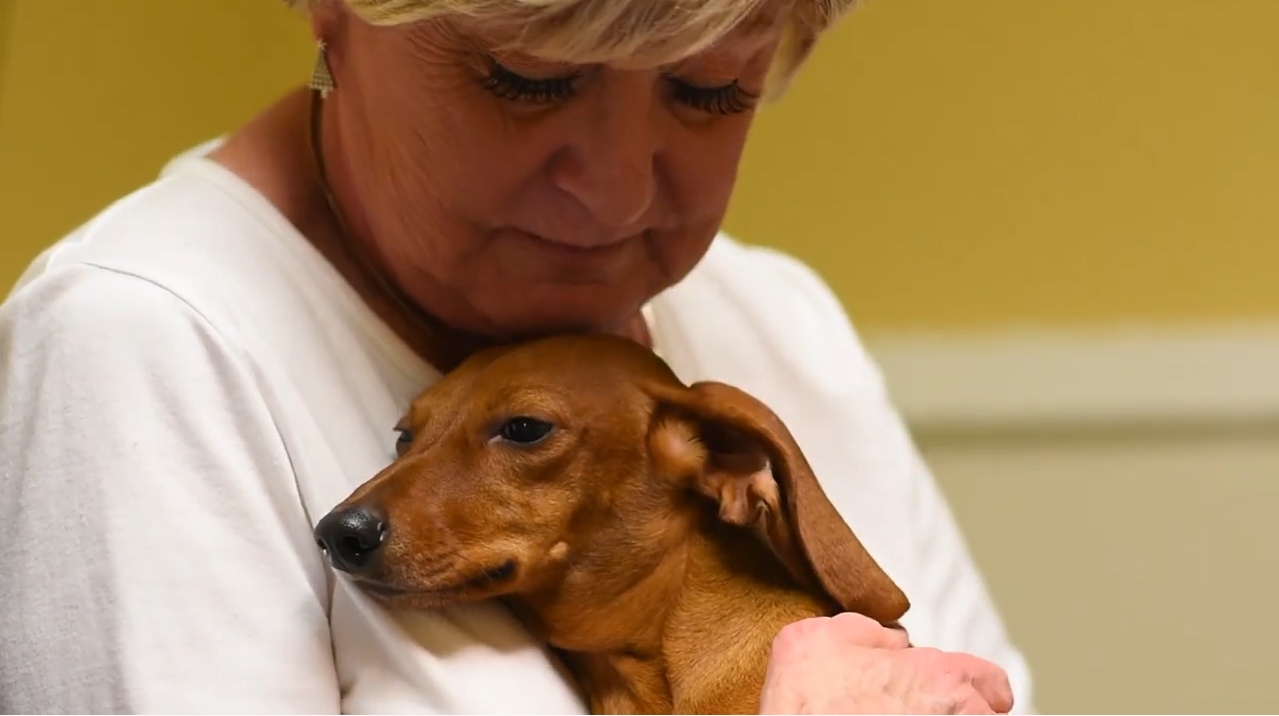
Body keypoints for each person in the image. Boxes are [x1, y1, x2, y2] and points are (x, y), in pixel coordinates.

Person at [0, 0, 1034, 712]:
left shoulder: (778, 320)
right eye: (527, 81)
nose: (620, 189)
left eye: (712, 91)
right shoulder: (147, 344)